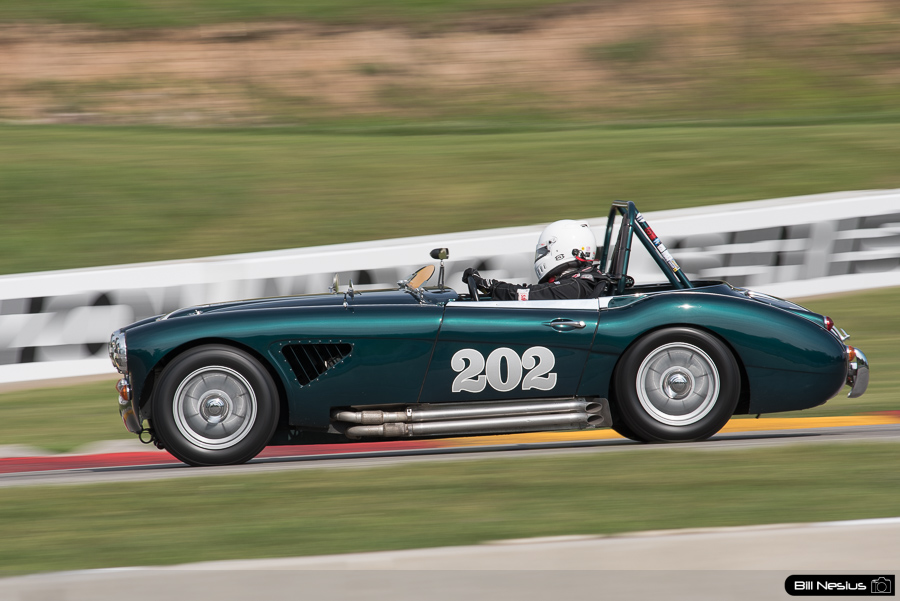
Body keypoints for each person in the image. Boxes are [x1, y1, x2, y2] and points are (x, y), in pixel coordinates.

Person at [462, 220, 613, 301]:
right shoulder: (582, 281)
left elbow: (528, 294)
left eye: (544, 251)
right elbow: (538, 291)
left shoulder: (575, 286)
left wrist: (490, 286)